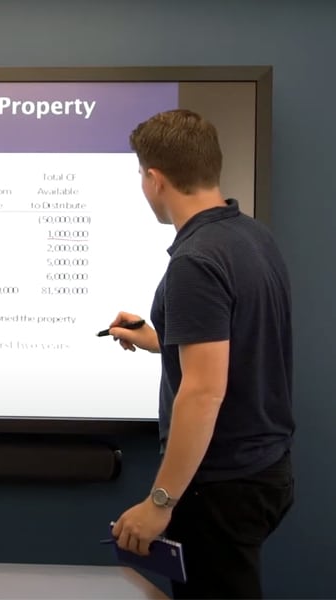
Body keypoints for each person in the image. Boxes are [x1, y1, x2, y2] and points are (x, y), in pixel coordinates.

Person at [106, 109, 294, 598]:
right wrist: (157, 336)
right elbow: (238, 342)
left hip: (220, 487)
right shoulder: (251, 236)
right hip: (262, 471)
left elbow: (204, 390)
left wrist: (160, 502)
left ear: (154, 178)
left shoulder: (195, 259)